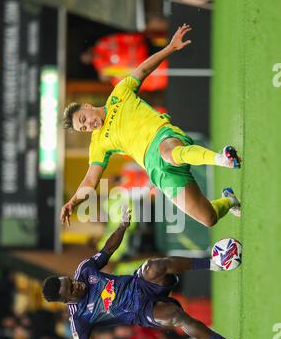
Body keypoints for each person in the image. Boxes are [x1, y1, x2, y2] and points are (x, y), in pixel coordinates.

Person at [42, 207, 240, 339]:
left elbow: (107, 250)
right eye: (71, 289)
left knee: (154, 266)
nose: (75, 284)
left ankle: (215, 264)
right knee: (176, 316)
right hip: (141, 311)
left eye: (70, 280)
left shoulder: (84, 270)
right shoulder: (79, 318)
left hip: (140, 283)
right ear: (66, 300)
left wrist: (122, 227)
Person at [61, 24, 241, 229]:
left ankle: (223, 159)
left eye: (84, 120)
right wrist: (73, 201)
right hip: (156, 170)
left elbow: (143, 69)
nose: (88, 126)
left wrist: (170, 48)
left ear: (87, 106)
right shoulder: (98, 144)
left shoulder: (119, 94)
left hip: (163, 137)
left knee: (168, 152)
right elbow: (91, 180)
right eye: (83, 129)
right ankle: (230, 201)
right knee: (208, 218)